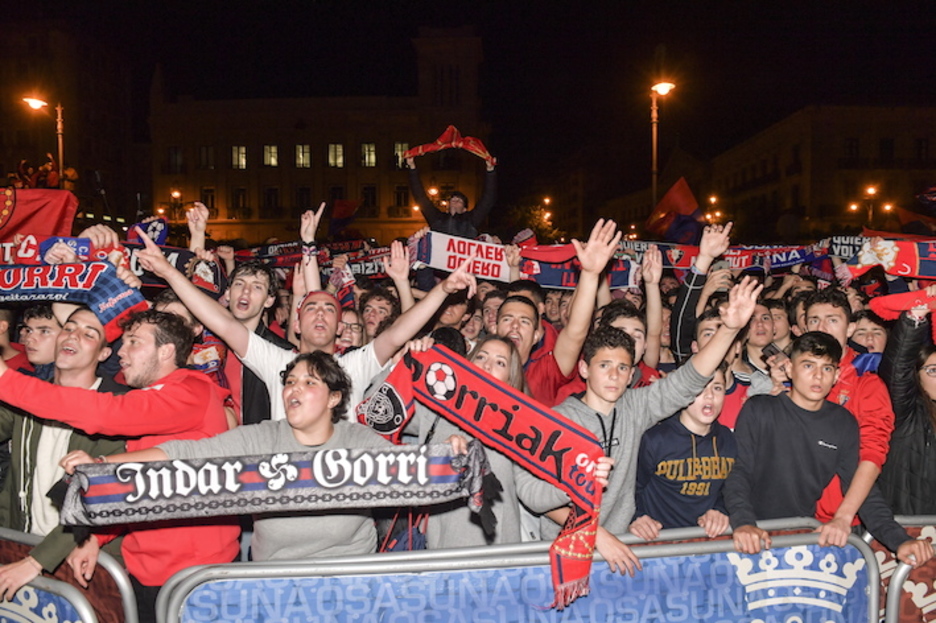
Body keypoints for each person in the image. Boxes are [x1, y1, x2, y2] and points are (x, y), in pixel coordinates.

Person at [0, 310, 239, 623]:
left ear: (165, 351)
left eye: (134, 343)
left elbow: (103, 413)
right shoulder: (150, 398)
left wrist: (4, 379)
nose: (122, 352)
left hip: (193, 576)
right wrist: (96, 539)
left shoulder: (191, 392)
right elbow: (134, 486)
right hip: (143, 568)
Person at [517, 277, 761, 576]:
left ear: (632, 372)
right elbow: (530, 492)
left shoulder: (635, 407)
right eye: (604, 365)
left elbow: (689, 380)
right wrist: (593, 527)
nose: (613, 376)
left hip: (622, 549)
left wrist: (730, 329)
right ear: (584, 369)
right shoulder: (559, 420)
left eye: (622, 368)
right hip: (566, 554)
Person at [63, 351, 394, 562]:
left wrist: (447, 453)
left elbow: (413, 470)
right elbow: (186, 453)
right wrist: (105, 465)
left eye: (309, 382)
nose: (294, 388)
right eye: (290, 381)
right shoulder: (262, 438)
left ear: (333, 398)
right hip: (275, 585)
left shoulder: (359, 441)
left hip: (350, 586)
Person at [134, 220, 478, 421]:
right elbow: (221, 321)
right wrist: (167, 272)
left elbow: (401, 330)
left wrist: (444, 288)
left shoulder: (354, 366)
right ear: (296, 324)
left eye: (330, 309)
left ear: (340, 326)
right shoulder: (277, 362)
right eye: (311, 307)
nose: (320, 313)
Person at [724, 332, 932, 568]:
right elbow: (737, 471)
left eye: (826, 368)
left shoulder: (842, 423)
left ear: (836, 376)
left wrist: (900, 540)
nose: (817, 376)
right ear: (790, 369)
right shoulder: (760, 409)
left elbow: (861, 490)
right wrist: (743, 523)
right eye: (808, 365)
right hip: (748, 536)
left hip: (800, 540)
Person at [0, 308, 126, 601]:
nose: (74, 335)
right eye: (69, 327)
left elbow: (101, 502)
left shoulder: (118, 407)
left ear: (104, 353)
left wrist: (38, 561)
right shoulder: (28, 395)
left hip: (80, 561)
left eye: (89, 333)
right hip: (22, 548)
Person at [629, 365, 736, 540]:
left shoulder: (728, 439)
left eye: (717, 388)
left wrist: (720, 509)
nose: (710, 395)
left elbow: (731, 489)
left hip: (709, 542)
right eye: (701, 388)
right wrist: (637, 516)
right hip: (660, 543)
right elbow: (632, 488)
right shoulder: (655, 439)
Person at [877, 287, 936, 514]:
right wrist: (918, 313)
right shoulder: (908, 414)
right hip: (911, 531)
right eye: (933, 371)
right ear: (917, 378)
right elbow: (898, 369)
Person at [406, 156, 497, 240]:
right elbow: (420, 197)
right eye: (453, 199)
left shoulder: (471, 220)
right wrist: (412, 168)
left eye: (459, 201)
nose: (455, 200)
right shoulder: (436, 218)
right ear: (447, 206)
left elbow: (487, 199)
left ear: (464, 209)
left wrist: (490, 171)